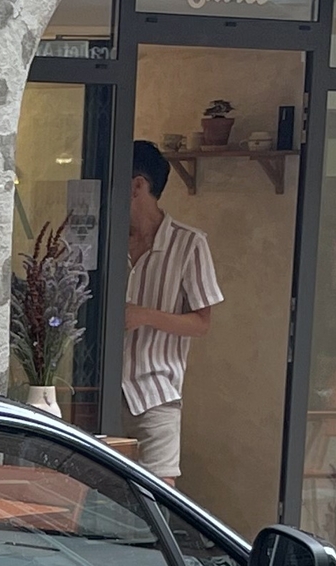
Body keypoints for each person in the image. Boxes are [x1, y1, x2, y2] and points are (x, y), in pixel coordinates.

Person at [122, 139, 222, 486]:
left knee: (158, 496)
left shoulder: (190, 243)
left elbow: (202, 323)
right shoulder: (103, 239)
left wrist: (144, 316)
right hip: (97, 391)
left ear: (137, 186)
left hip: (155, 393)